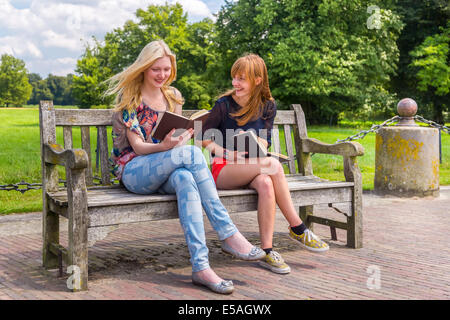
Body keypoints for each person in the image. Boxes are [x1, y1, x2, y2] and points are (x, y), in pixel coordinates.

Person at [105, 40, 265, 294]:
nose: (162, 75)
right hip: (135, 171)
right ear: (145, 68)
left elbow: (177, 141)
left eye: (166, 69)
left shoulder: (173, 96)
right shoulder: (129, 98)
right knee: (189, 156)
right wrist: (167, 146)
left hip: (169, 167)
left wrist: (182, 138)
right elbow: (137, 147)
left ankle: (201, 267)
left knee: (185, 180)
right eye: (156, 69)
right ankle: (228, 232)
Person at [201, 53, 329, 275]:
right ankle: (298, 228)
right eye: (234, 77)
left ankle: (267, 251)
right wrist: (228, 153)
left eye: (241, 78)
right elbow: (204, 139)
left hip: (252, 166)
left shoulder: (268, 105)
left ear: (257, 80)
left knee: (266, 184)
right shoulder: (223, 105)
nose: (235, 83)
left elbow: (264, 139)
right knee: (273, 166)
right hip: (224, 169)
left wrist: (252, 140)